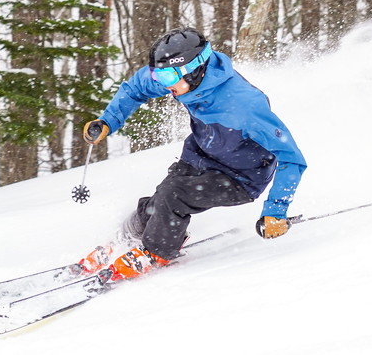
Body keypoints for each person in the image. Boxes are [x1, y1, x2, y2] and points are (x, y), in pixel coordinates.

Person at [80, 27, 307, 280]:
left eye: (168, 77)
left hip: (241, 177)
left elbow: (292, 157)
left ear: (196, 70)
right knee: (160, 199)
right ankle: (127, 238)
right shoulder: (181, 81)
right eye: (159, 75)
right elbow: (136, 88)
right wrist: (108, 121)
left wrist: (275, 211)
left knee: (174, 195)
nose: (163, 84)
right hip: (200, 155)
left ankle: (157, 251)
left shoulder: (244, 105)